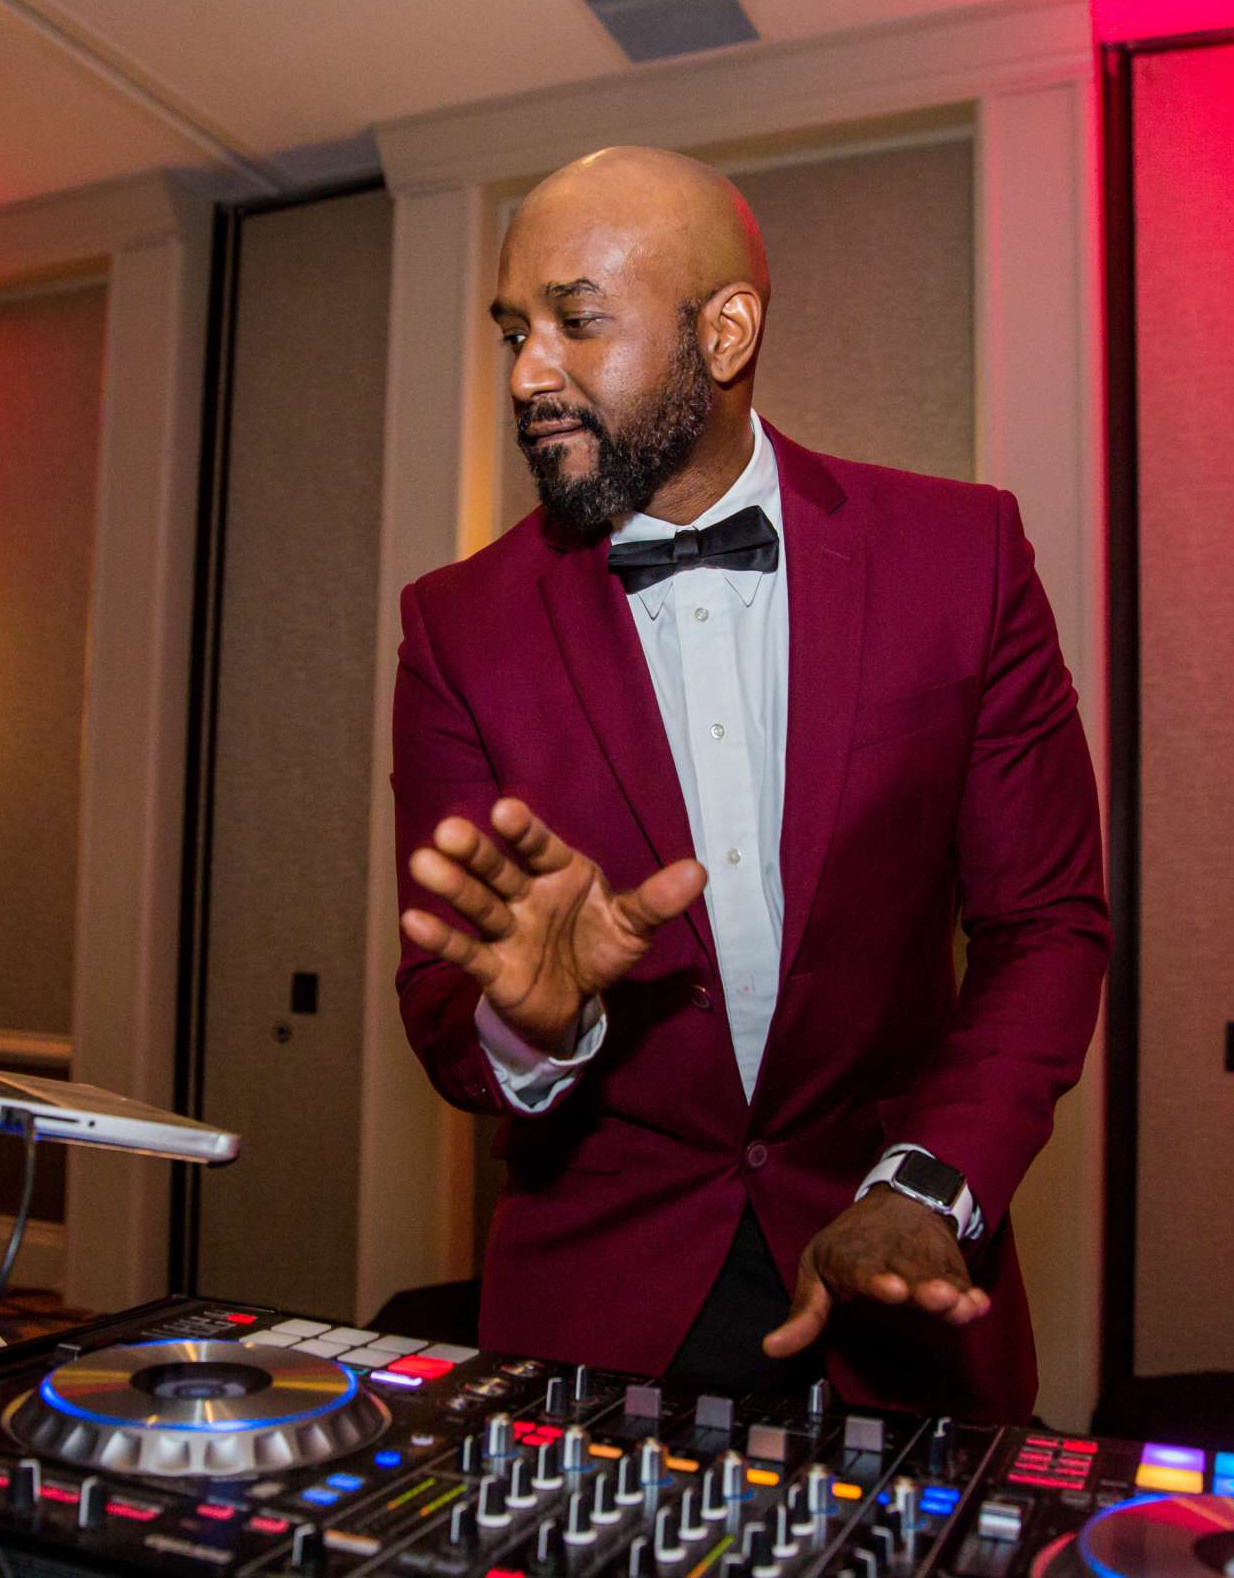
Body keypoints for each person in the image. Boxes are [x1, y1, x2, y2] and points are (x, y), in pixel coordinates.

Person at [390, 146, 1106, 1418]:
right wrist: (530, 1021)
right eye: (512, 330)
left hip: (897, 1302)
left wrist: (928, 1184)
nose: (526, 374)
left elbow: (1044, 925)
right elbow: (448, 1007)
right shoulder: (458, 628)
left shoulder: (965, 556)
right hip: (592, 1333)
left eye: (575, 320)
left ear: (725, 331)